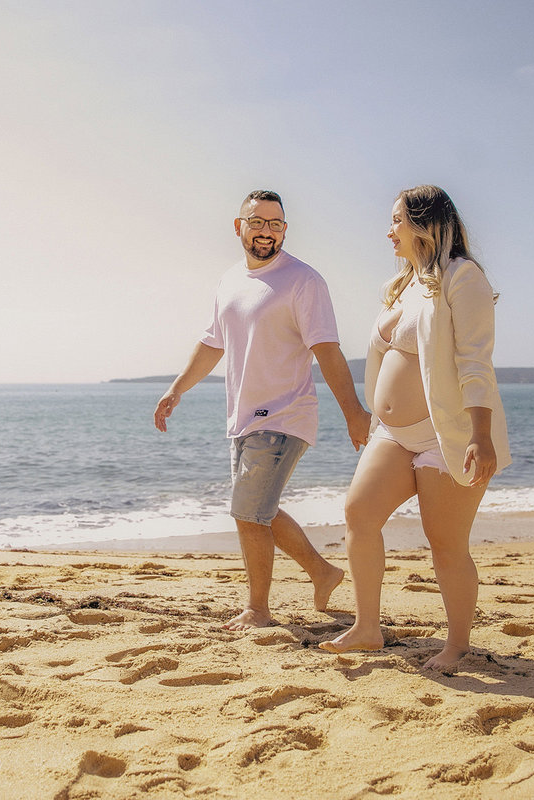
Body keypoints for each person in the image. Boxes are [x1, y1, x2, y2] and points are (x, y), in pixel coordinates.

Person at [154, 189, 372, 631]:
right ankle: (322, 573)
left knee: (247, 511)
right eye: (257, 222)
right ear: (239, 227)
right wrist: (177, 389)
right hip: (242, 417)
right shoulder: (230, 280)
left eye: (275, 224)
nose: (266, 232)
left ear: (285, 230)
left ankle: (258, 609)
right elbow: (212, 343)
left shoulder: (303, 281)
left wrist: (354, 412)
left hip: (285, 414)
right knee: (258, 509)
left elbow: (327, 350)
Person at [319, 185, 511, 674]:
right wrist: (368, 414)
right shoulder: (402, 284)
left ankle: (458, 645)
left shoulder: (461, 277)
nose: (389, 231)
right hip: (392, 433)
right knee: (359, 513)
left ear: (424, 223)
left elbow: (475, 362)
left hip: (444, 434)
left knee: (445, 544)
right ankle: (367, 627)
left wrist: (481, 435)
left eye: (396, 221)